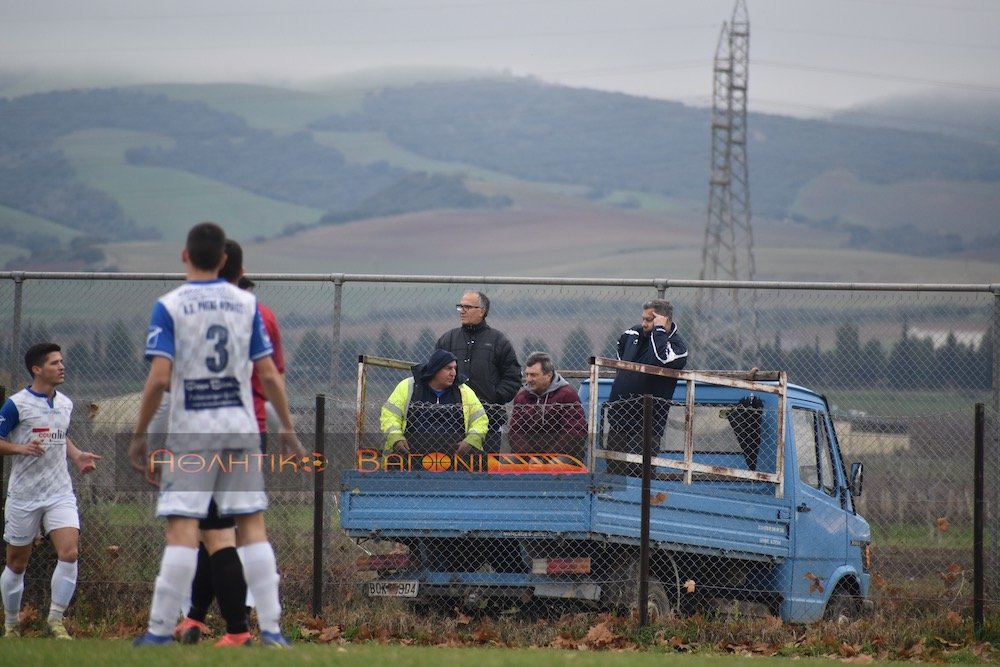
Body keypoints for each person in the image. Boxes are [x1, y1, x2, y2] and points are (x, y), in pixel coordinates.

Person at [129, 222, 304, 647]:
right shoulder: (247, 305)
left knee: (184, 529)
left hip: (193, 433)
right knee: (251, 526)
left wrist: (141, 436)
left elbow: (157, 379)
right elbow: (269, 374)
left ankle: (157, 632)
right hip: (242, 429)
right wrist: (288, 430)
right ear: (224, 261)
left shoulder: (169, 305)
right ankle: (274, 631)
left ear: (184, 256)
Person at [170, 241, 286, 646]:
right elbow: (273, 378)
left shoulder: (187, 311)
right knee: (219, 530)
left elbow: (169, 379)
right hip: (252, 430)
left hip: (206, 433)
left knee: (216, 533)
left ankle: (237, 629)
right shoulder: (262, 314)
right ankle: (197, 619)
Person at [0, 343, 101, 640]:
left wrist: (78, 455)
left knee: (69, 553)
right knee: (16, 563)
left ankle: (55, 621)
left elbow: (61, 435)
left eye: (61, 362)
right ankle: (11, 624)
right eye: (54, 363)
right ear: (37, 369)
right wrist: (20, 447)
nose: (61, 366)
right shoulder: (16, 405)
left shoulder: (66, 403)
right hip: (24, 495)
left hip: (60, 491)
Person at [606, 300, 689, 466]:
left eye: (650, 320)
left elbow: (661, 359)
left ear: (663, 319)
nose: (643, 324)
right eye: (643, 319)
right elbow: (621, 348)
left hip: (646, 427)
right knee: (614, 477)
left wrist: (659, 330)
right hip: (619, 420)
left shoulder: (677, 347)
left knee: (640, 478)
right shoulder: (633, 333)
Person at [436, 291, 520, 452]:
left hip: (489, 421)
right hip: (450, 420)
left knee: (485, 470)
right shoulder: (447, 340)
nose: (462, 311)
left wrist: (494, 397)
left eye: (467, 307)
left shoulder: (499, 341)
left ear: (482, 311)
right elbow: (434, 374)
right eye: (460, 307)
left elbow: (513, 377)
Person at [380, 349, 488, 456]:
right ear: (435, 369)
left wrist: (471, 441)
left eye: (455, 368)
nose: (453, 373)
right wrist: (396, 438)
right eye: (448, 368)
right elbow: (390, 415)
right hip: (412, 453)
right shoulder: (408, 386)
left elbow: (480, 420)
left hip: (455, 455)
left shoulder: (463, 391)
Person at [508, 351, 587, 459]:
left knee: (557, 463)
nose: (529, 379)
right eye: (527, 374)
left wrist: (546, 458)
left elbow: (575, 431)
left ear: (548, 375)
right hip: (528, 456)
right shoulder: (522, 398)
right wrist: (530, 458)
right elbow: (515, 431)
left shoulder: (567, 395)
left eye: (534, 375)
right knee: (508, 462)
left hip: (560, 455)